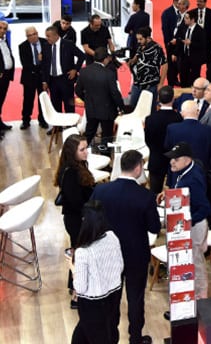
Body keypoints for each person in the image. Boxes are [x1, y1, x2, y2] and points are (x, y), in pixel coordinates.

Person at [91, 150, 160, 344]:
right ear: (138, 168)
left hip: (108, 253)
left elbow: (92, 219)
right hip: (136, 255)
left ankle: (111, 337)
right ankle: (135, 338)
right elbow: (154, 227)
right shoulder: (145, 196)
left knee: (111, 297)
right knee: (135, 298)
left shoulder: (101, 191)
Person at [161, 141, 211, 299]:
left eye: (175, 159)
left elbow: (205, 208)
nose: (171, 162)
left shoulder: (193, 179)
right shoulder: (187, 170)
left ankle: (200, 294)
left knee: (195, 260)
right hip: (187, 222)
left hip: (194, 225)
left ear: (186, 159)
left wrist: (186, 221)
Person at [69, 200, 125, 343]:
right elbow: (120, 266)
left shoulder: (83, 251)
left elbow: (81, 288)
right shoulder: (113, 237)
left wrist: (72, 267)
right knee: (107, 332)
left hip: (92, 305)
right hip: (114, 296)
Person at [55, 135, 96, 308]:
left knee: (78, 252)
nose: (86, 152)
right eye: (82, 149)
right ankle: (76, 296)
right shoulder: (71, 172)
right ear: (73, 152)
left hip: (78, 218)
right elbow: (76, 201)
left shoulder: (79, 166)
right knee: (80, 255)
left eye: (86, 148)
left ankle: (74, 286)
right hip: (76, 220)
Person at [75, 46, 125, 146]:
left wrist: (87, 99)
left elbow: (77, 90)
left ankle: (81, 152)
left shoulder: (84, 71)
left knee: (89, 133)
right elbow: (115, 93)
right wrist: (122, 107)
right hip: (107, 111)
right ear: (105, 58)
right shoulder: (109, 74)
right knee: (106, 136)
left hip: (91, 108)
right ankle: (105, 156)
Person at [144, 86, 182, 195]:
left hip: (156, 159)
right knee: (175, 193)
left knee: (154, 193)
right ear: (173, 99)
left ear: (158, 99)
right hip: (174, 161)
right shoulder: (178, 118)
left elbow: (148, 140)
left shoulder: (150, 119)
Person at [165, 100, 211, 172]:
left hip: (178, 173)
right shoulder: (209, 131)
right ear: (198, 112)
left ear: (182, 113)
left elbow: (167, 147)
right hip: (201, 174)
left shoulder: (172, 129)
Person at [41, 24, 86, 113]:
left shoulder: (68, 44)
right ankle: (57, 126)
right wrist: (44, 81)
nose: (47, 38)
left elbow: (82, 56)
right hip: (52, 80)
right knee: (55, 104)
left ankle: (70, 125)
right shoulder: (46, 46)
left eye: (48, 36)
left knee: (69, 105)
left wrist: (75, 70)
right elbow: (45, 65)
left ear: (56, 35)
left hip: (66, 79)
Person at [18, 26, 47, 129]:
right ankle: (26, 120)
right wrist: (39, 64)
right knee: (28, 100)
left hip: (43, 77)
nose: (33, 37)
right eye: (30, 35)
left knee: (43, 99)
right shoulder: (22, 46)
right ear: (27, 37)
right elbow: (25, 64)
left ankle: (42, 120)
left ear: (37, 33)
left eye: (35, 34)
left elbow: (49, 60)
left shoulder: (45, 42)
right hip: (29, 77)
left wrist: (42, 61)